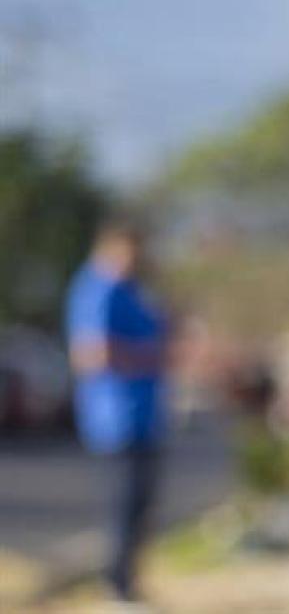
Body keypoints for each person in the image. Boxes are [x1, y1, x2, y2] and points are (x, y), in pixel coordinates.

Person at [65, 218, 170, 604]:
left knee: (141, 507)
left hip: (145, 416)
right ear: (111, 246)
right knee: (123, 508)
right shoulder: (97, 290)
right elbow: (91, 354)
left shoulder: (131, 290)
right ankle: (117, 589)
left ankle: (129, 584)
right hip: (116, 419)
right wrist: (147, 357)